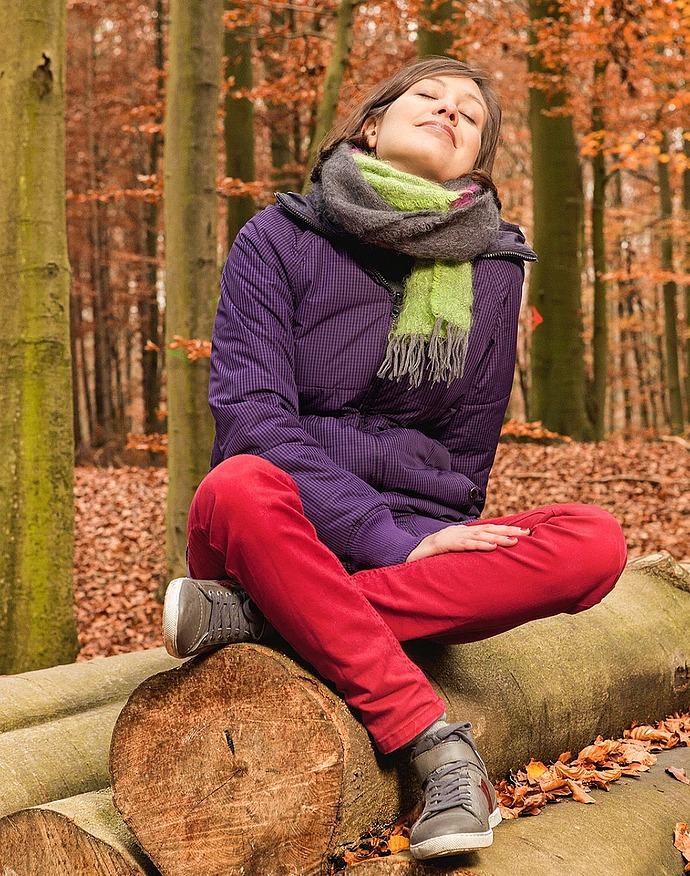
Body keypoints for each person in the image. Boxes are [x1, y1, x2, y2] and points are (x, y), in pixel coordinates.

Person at [162, 57, 627, 860]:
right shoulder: (277, 238)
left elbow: (467, 450)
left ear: (474, 159)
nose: (450, 112)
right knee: (238, 482)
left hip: (415, 540)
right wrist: (391, 540)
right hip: (281, 526)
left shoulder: (494, 271)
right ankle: (438, 745)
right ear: (371, 125)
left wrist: (438, 537)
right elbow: (251, 417)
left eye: (470, 116)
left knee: (593, 542)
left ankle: (262, 625)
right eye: (430, 97)